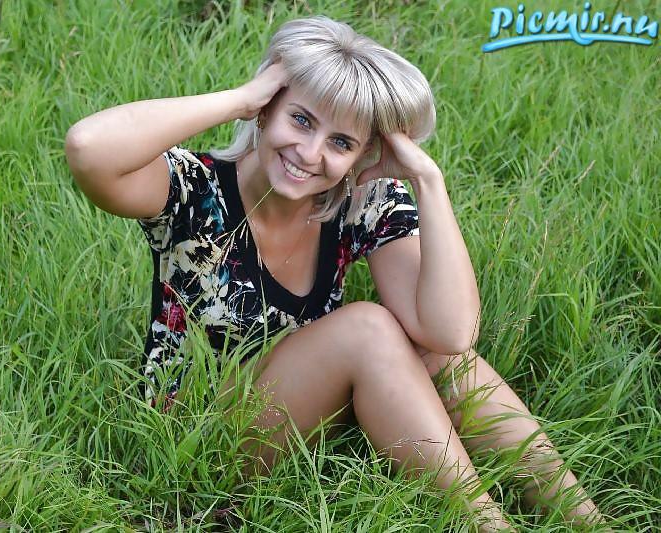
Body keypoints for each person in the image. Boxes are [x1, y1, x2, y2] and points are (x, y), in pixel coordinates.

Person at [64, 15, 606, 531]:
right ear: (268, 108)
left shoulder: (359, 202)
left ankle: (589, 521)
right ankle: (486, 525)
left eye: (341, 142)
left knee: (438, 357)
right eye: (301, 119)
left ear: (363, 154)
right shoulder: (194, 189)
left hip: (304, 416)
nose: (309, 153)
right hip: (195, 438)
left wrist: (428, 181)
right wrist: (239, 99)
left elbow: (450, 333)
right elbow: (89, 150)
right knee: (369, 328)